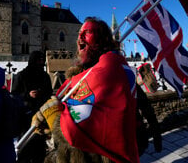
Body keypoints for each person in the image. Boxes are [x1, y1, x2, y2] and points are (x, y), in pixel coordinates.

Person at [31, 17, 140, 162]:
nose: (79, 38)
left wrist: (54, 119)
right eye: (79, 33)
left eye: (87, 32)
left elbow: (88, 126)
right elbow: (68, 106)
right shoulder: (80, 76)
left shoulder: (110, 71)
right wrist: (45, 118)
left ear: (102, 40)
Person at [11, 50, 53, 162]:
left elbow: (49, 93)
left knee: (39, 149)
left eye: (42, 60)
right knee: (25, 147)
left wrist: (41, 93)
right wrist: (28, 95)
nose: (41, 63)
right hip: (25, 118)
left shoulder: (45, 76)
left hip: (40, 116)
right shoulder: (22, 75)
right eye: (38, 60)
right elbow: (14, 94)